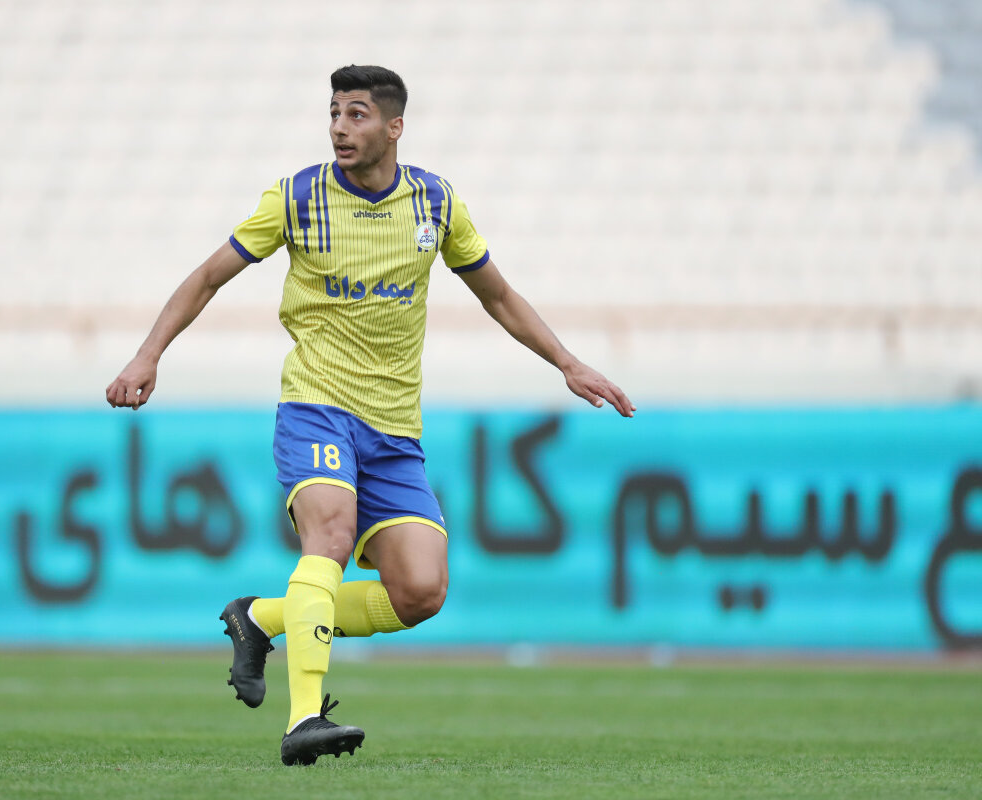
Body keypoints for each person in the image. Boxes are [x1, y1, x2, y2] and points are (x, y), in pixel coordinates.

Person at [106, 65, 635, 766]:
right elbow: (207, 277)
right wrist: (147, 355)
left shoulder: (435, 203)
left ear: (394, 126)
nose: (338, 127)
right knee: (328, 535)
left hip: (393, 430)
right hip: (316, 406)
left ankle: (258, 618)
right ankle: (302, 718)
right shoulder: (296, 197)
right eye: (333, 113)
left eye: (356, 114)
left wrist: (567, 362)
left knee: (421, 591)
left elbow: (499, 296)